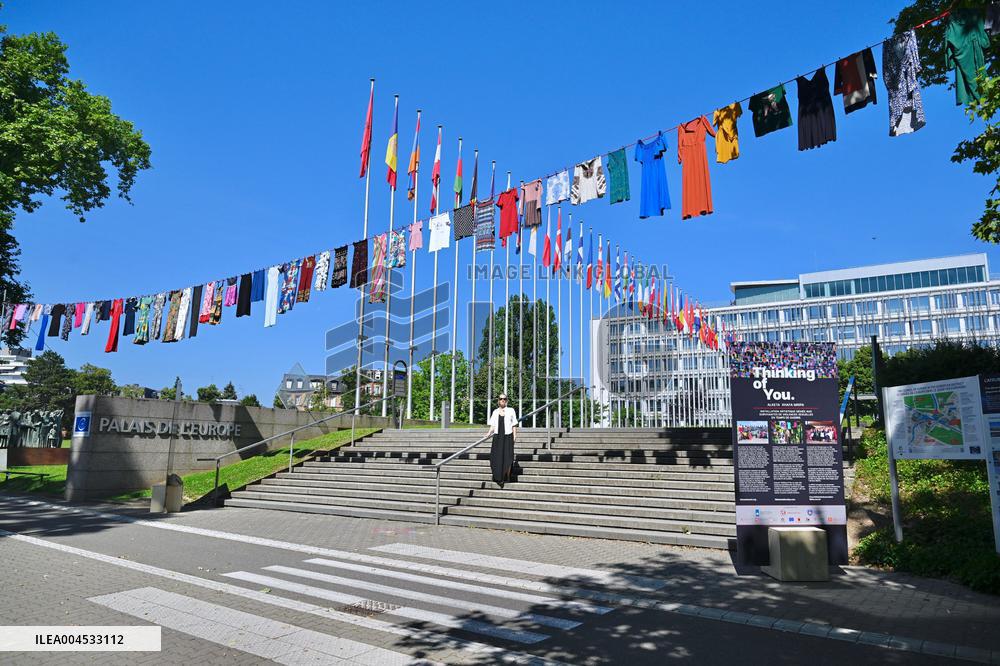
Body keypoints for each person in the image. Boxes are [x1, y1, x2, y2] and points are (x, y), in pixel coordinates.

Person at [486, 393, 518, 487]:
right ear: (498, 401)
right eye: (501, 399)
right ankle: (498, 477)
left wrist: (514, 436)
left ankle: (507, 476)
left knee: (508, 457)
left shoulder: (511, 410)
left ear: (507, 400)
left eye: (504, 399)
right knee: (496, 457)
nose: (502, 400)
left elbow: (514, 424)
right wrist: (488, 433)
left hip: (508, 436)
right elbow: (493, 425)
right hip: (498, 437)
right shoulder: (495, 412)